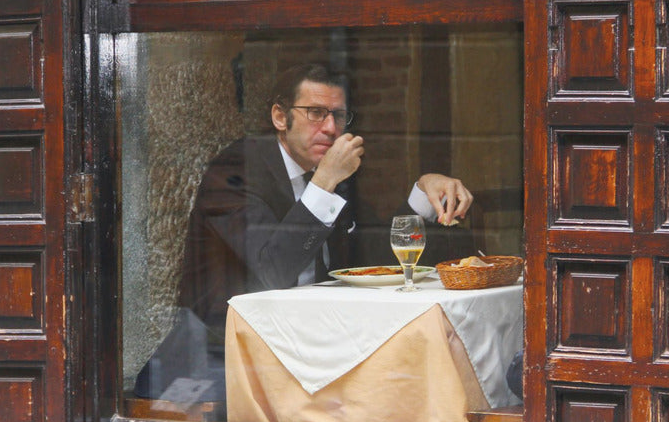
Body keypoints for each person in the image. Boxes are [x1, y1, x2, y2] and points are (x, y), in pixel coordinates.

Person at [177, 63, 474, 337]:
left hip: (320, 331)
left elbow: (371, 261)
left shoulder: (330, 171)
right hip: (230, 343)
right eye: (316, 113)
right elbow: (271, 271)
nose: (331, 128)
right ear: (280, 117)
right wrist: (324, 184)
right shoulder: (236, 169)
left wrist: (423, 192)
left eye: (339, 115)